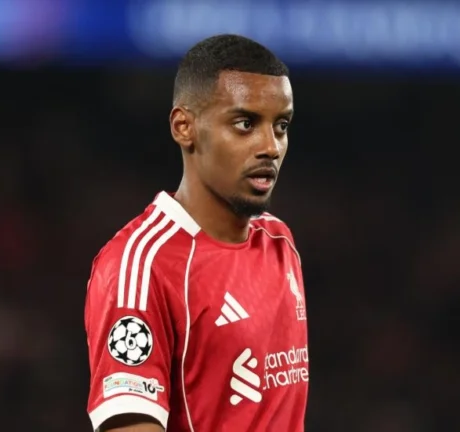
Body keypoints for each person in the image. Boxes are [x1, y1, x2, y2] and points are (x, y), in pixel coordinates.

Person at [84, 34, 309, 432]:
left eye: (281, 126)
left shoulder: (280, 242)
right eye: (245, 124)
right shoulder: (139, 267)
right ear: (184, 127)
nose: (271, 147)